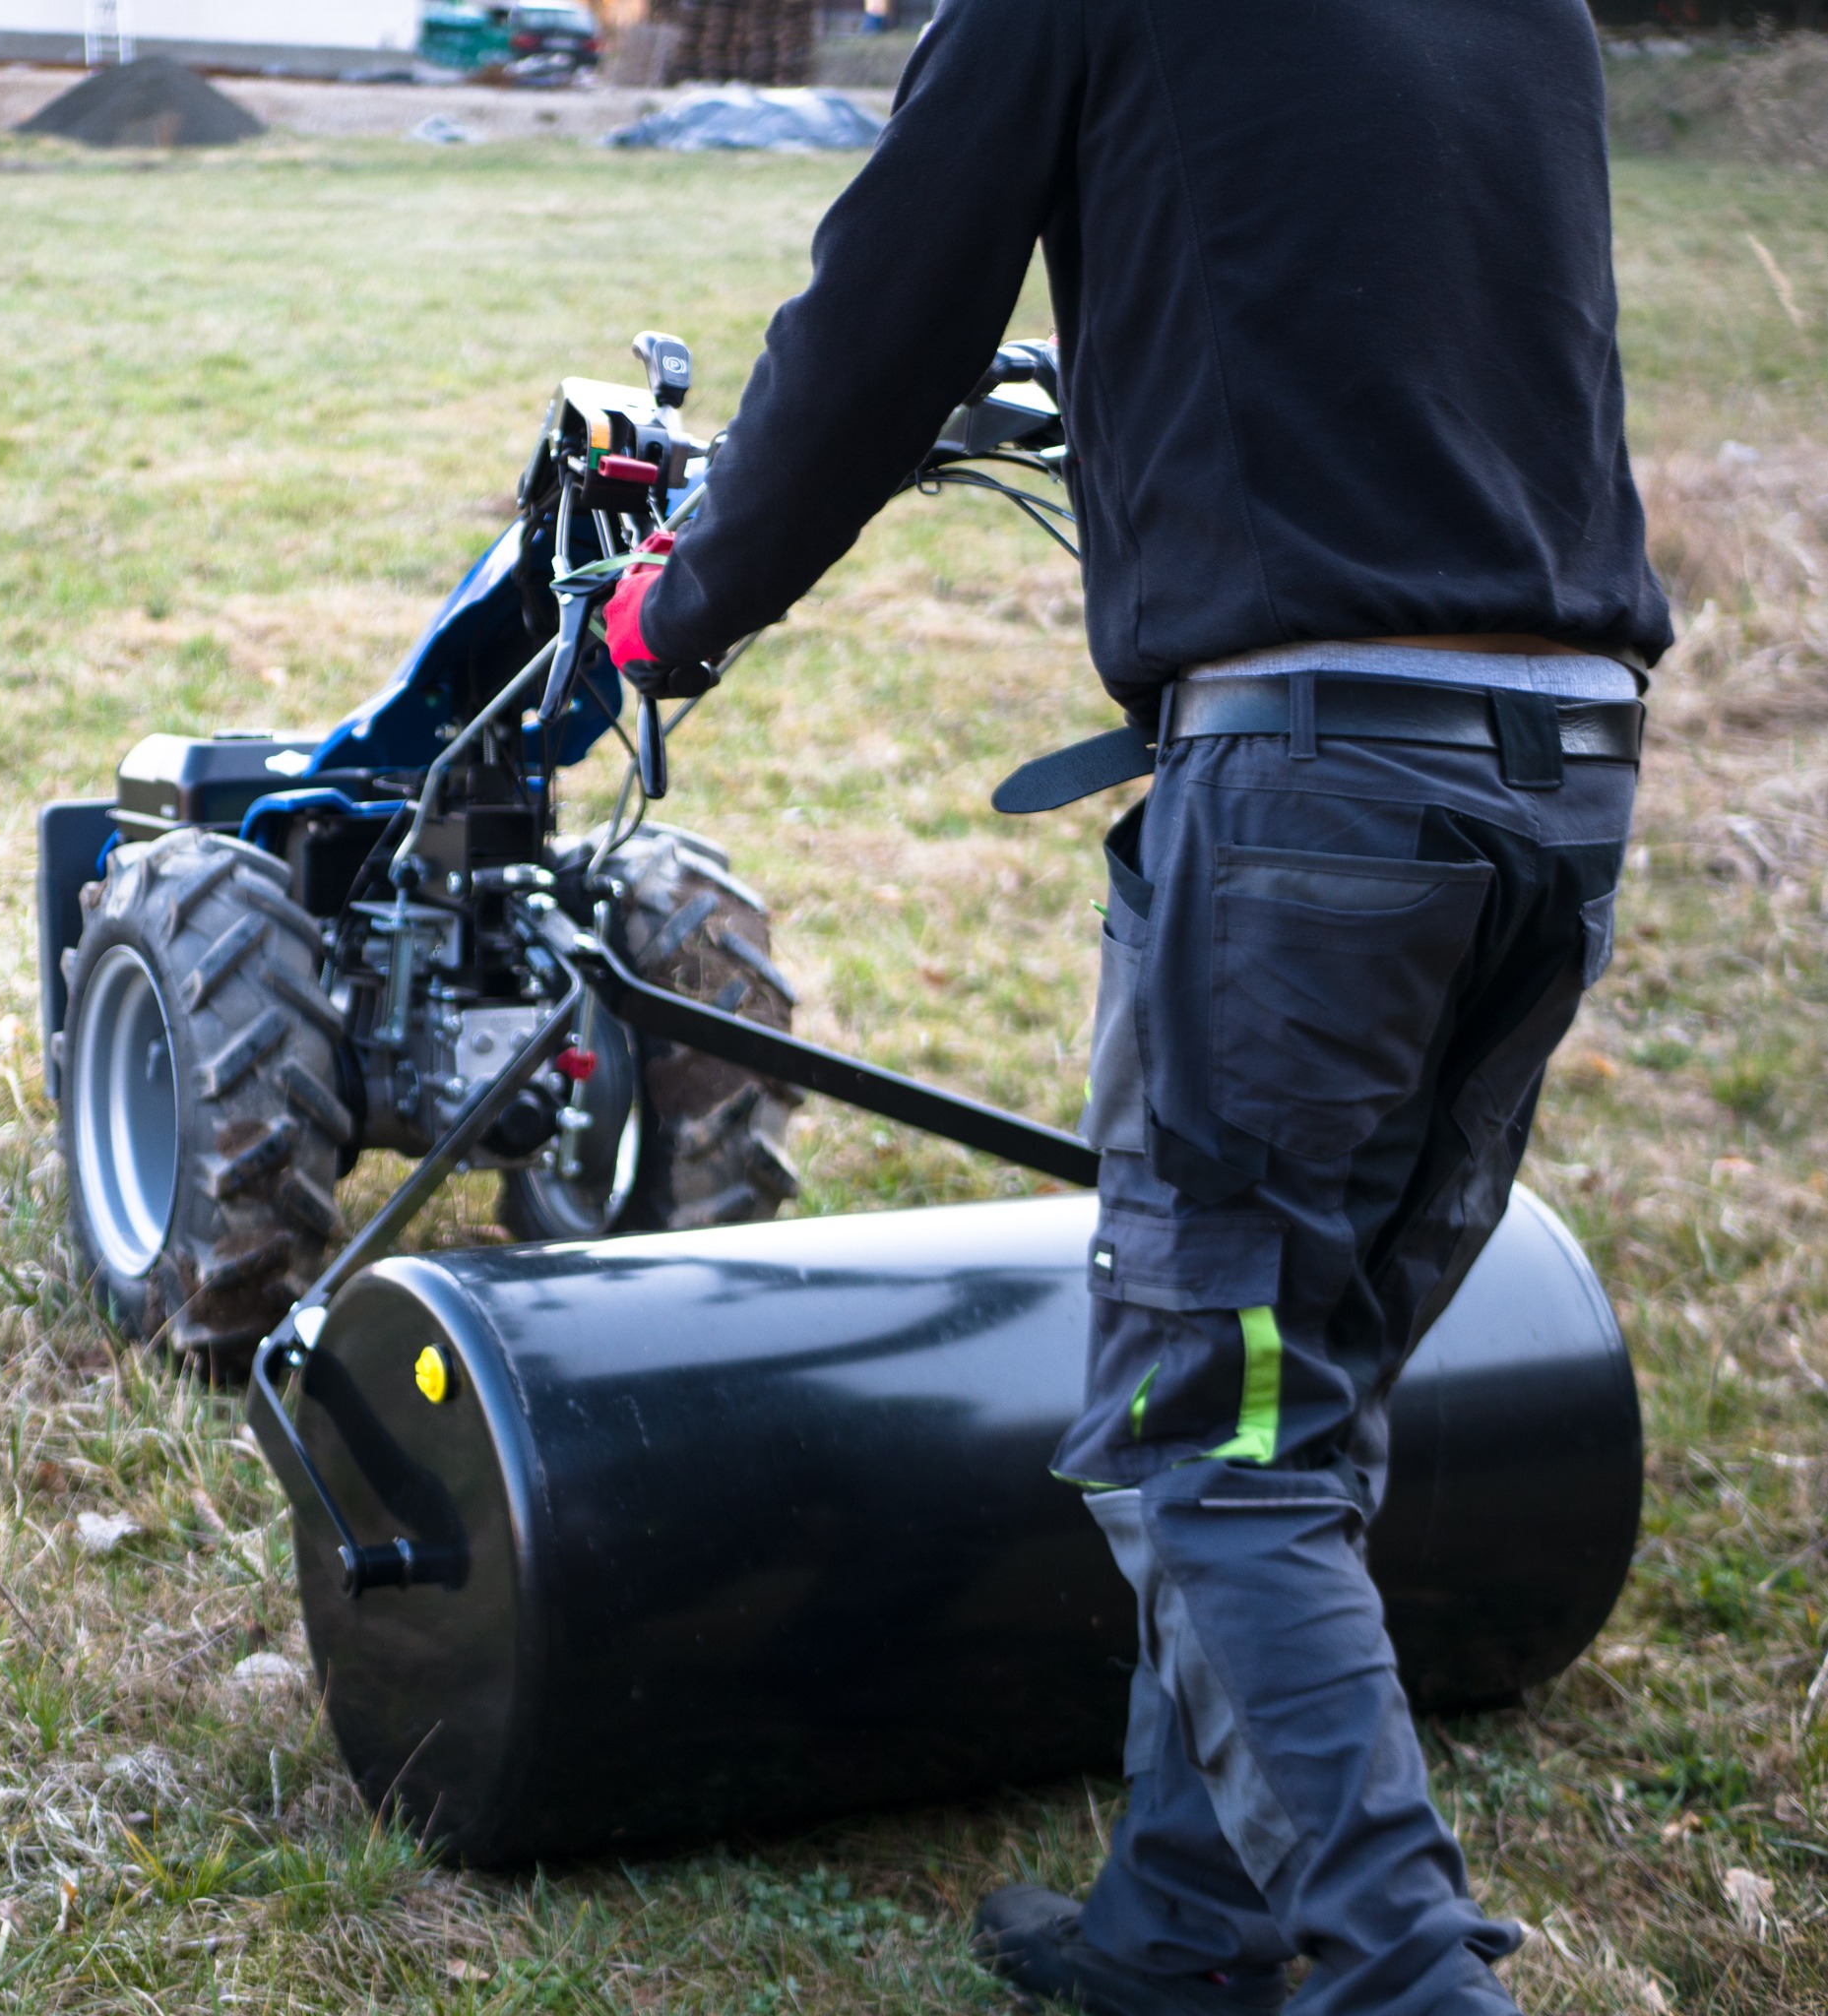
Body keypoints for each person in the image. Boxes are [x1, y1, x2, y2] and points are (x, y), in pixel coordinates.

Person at [600, 0, 1670, 2003]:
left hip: (1321, 799)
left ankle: (1405, 1975)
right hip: (1571, 765)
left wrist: (683, 597)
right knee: (1301, 1371)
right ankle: (1184, 1929)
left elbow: (878, 321)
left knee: (1214, 1440)